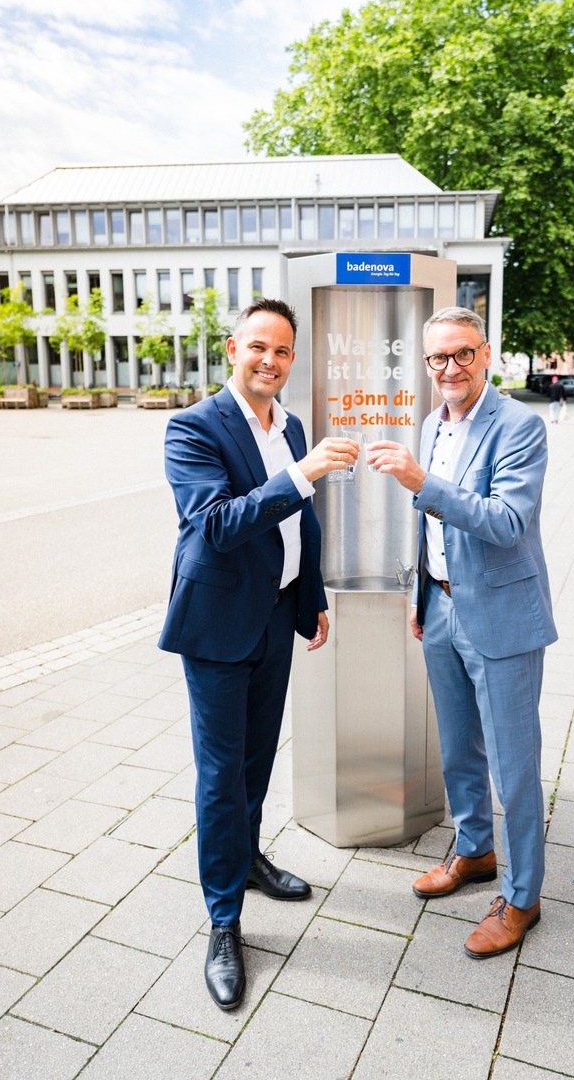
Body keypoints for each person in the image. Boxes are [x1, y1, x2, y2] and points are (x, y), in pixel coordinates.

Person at [159, 298, 359, 1010]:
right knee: (220, 777)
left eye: (282, 352)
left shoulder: (290, 424)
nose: (270, 361)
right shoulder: (193, 428)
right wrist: (301, 473)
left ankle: (245, 863)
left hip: (275, 618)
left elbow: (297, 523)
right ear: (232, 348)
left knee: (256, 760)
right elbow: (215, 525)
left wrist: (312, 600)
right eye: (258, 348)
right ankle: (223, 923)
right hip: (216, 628)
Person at [366, 307, 557, 959]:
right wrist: (422, 594)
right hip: (442, 607)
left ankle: (523, 896)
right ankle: (475, 852)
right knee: (457, 749)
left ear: (487, 353)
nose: (449, 369)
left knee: (514, 765)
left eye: (462, 355)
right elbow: (430, 527)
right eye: (436, 359)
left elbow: (506, 522)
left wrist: (421, 481)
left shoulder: (520, 426)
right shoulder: (431, 422)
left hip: (501, 617)